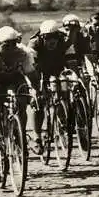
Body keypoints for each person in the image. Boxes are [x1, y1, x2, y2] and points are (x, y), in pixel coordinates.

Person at [0, 26, 39, 183]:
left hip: (14, 79)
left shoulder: (22, 52)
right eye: (6, 45)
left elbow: (32, 76)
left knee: (21, 99)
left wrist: (38, 93)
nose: (10, 49)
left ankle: (19, 135)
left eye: (13, 45)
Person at [27, 20, 71, 154]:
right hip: (39, 71)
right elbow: (31, 68)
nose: (51, 41)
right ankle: (37, 136)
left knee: (65, 91)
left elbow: (72, 59)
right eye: (47, 38)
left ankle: (63, 119)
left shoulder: (64, 40)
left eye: (54, 38)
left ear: (58, 36)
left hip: (57, 68)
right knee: (38, 103)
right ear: (42, 37)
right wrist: (36, 88)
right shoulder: (34, 43)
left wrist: (75, 76)